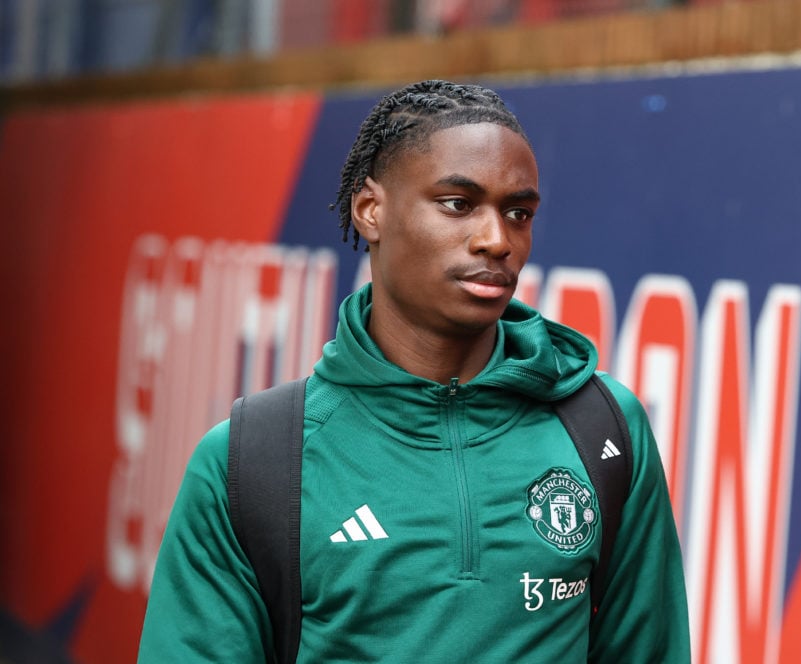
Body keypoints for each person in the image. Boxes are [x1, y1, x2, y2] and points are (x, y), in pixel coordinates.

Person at [138, 79, 690, 662]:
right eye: (458, 204)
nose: (496, 240)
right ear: (371, 210)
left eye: (518, 212)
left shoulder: (604, 430)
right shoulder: (252, 462)